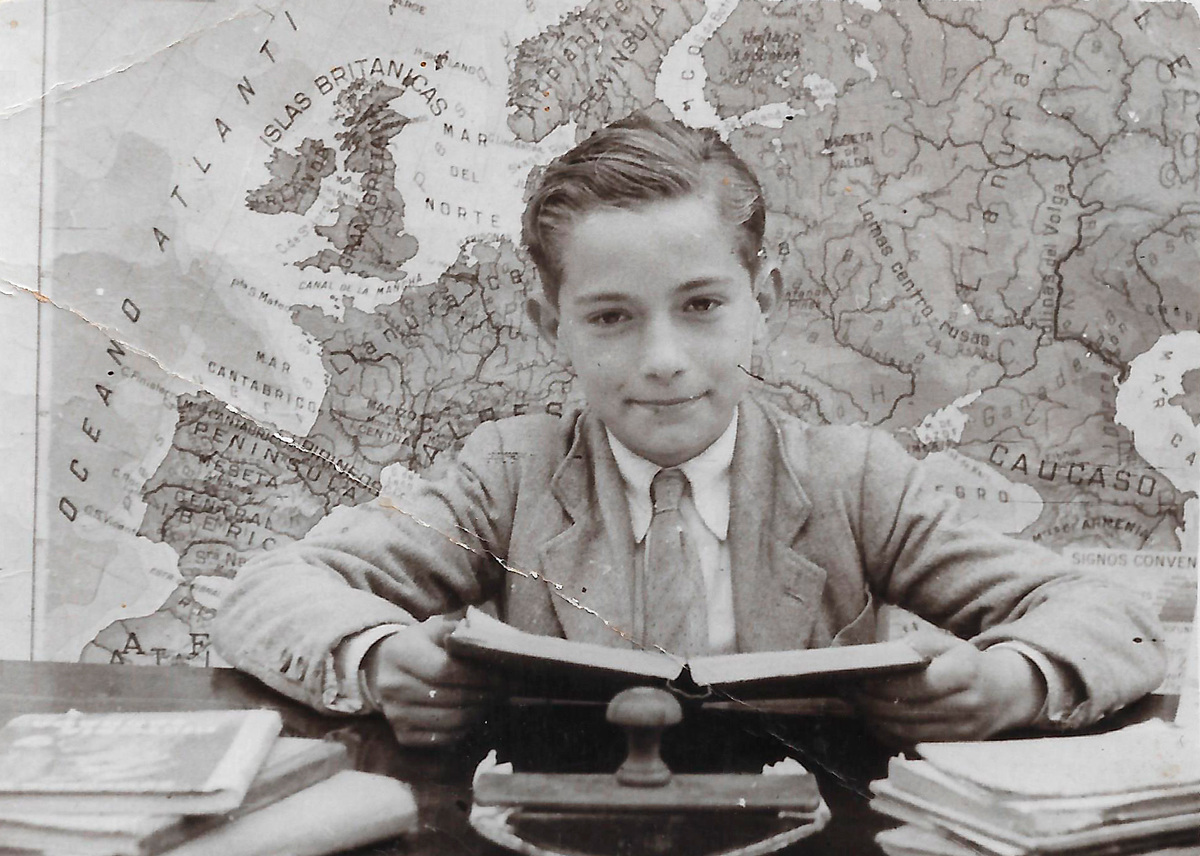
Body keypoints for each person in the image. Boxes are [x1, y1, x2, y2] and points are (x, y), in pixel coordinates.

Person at [213, 114, 1165, 748]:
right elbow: (266, 592)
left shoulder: (854, 480)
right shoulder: (508, 473)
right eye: (611, 317)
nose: (663, 359)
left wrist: (1012, 683)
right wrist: (377, 659)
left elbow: (1107, 612)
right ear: (551, 327)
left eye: (702, 304)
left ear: (764, 301)